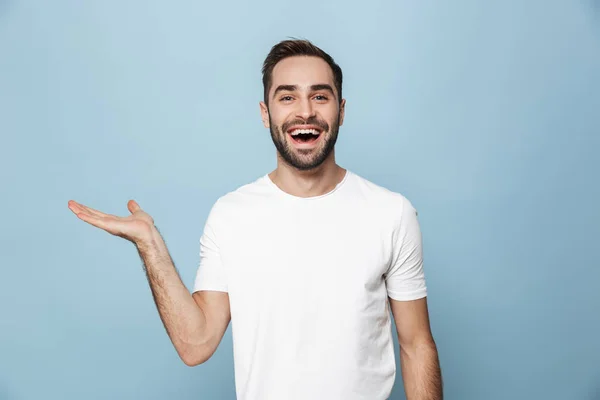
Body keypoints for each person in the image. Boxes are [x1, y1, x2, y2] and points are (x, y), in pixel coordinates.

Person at [68, 39, 443, 400]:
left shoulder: (390, 212)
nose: (305, 111)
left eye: (320, 95)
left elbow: (416, 344)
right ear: (266, 114)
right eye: (287, 96)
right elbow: (195, 344)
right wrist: (150, 245)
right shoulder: (231, 216)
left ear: (341, 110)